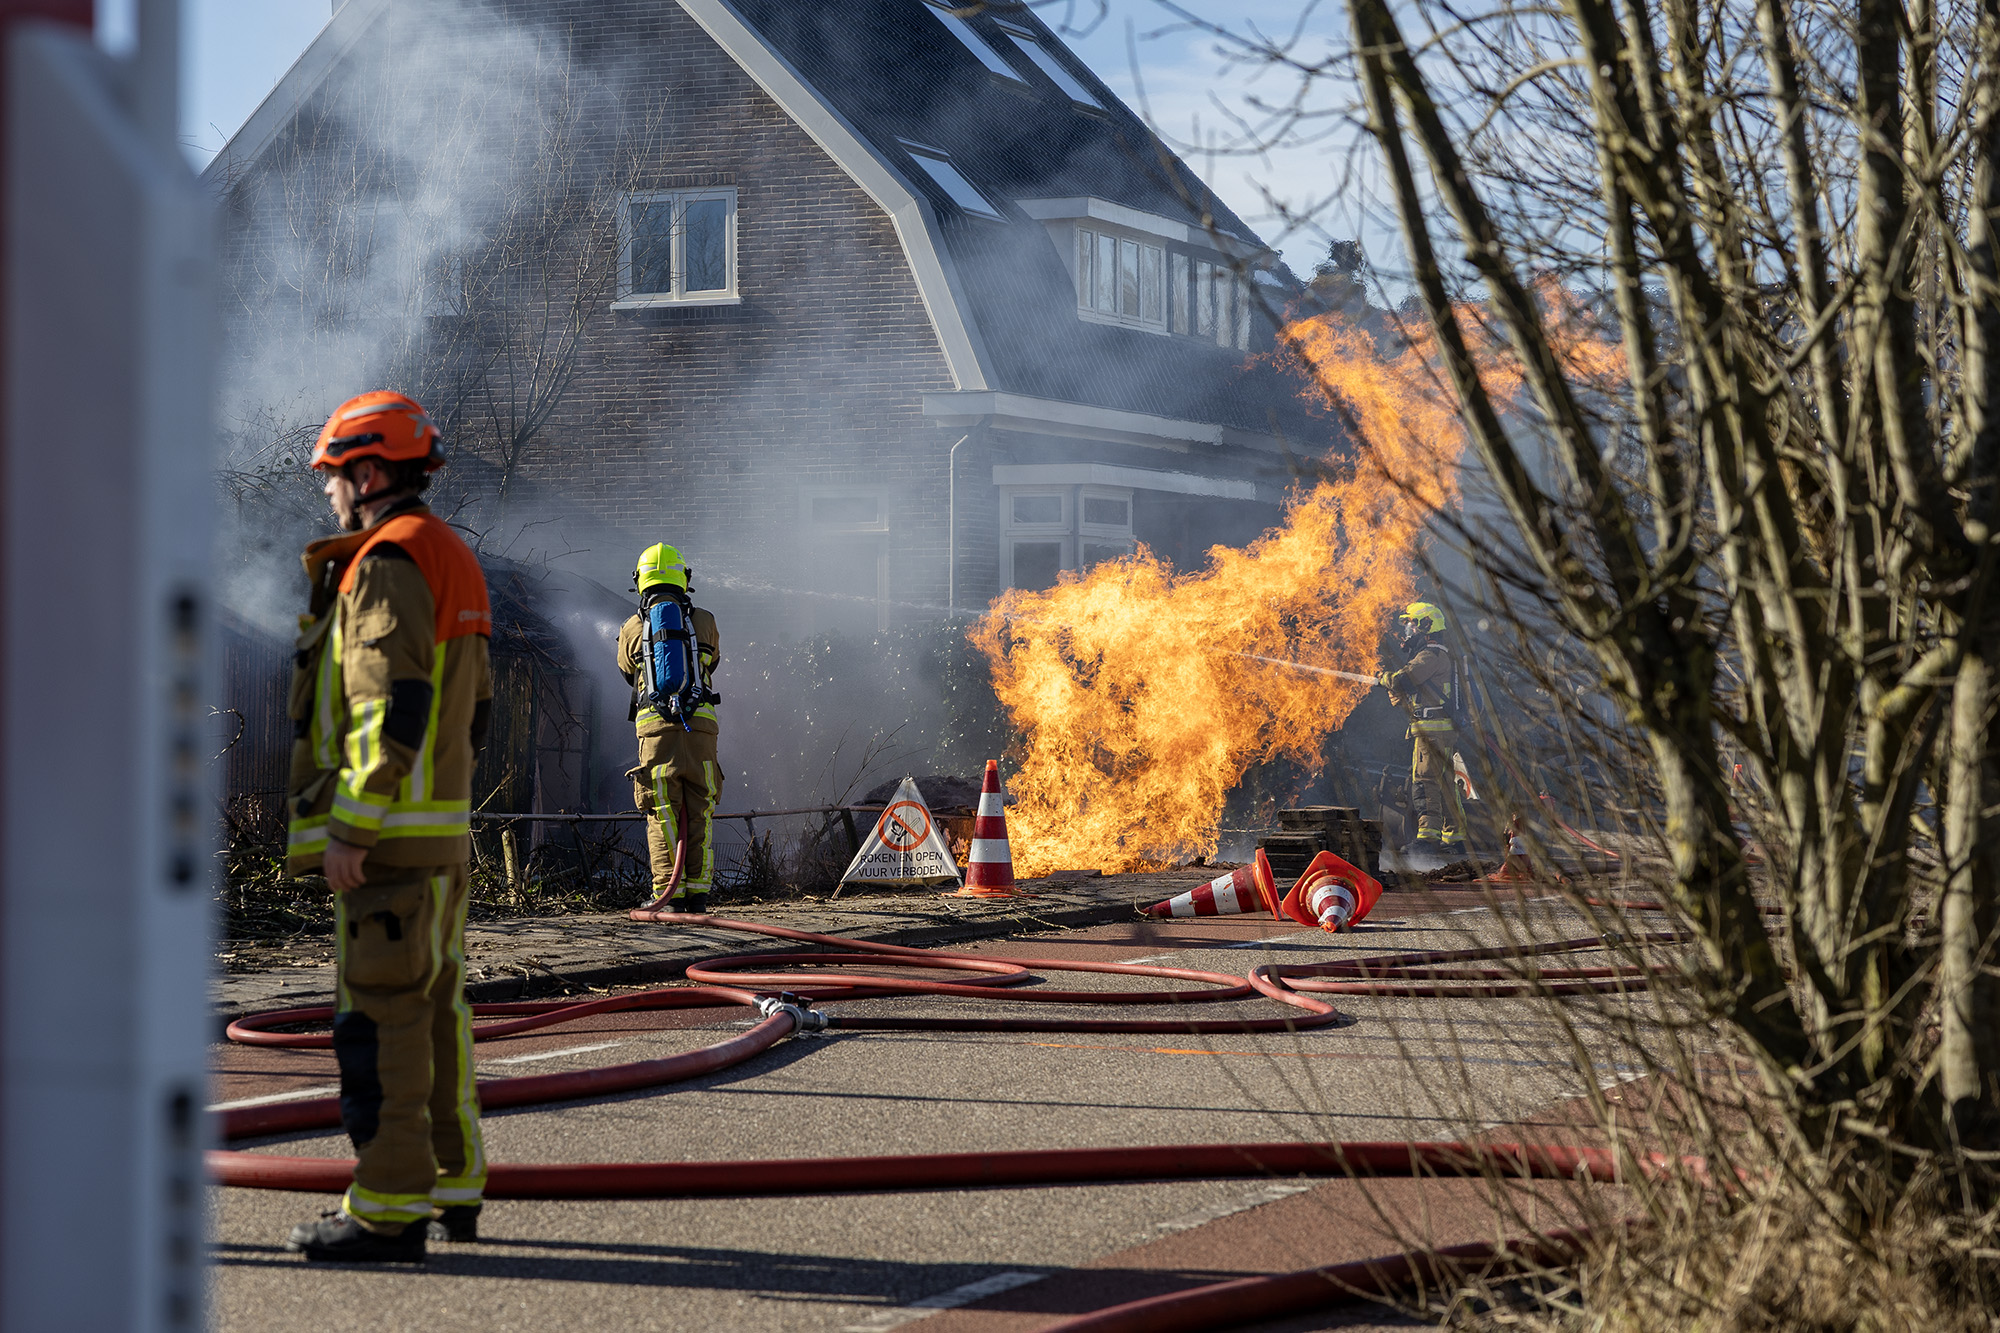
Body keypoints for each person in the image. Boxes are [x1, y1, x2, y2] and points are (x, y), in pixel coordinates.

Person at [281, 391, 493, 1263]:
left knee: (381, 1026)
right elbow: (475, 715)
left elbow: (388, 707)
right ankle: (452, 1181)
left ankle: (387, 1209)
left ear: (369, 473)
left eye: (336, 477)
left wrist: (354, 830)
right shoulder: (450, 556)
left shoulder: (385, 563)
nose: (330, 494)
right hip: (438, 840)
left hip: (391, 852)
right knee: (437, 1014)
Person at [617, 543, 723, 913]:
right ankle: (698, 893)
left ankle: (668, 892)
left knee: (662, 811)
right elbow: (714, 664)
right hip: (701, 731)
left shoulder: (632, 628)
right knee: (700, 811)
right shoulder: (706, 621)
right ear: (683, 577)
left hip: (655, 731)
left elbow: (628, 672)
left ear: (640, 580)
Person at [1378, 601, 1466, 853]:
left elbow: (1403, 680)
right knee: (1448, 783)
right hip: (1440, 730)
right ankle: (1455, 837)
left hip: (1432, 730)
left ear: (1426, 626)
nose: (1407, 630)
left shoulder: (1430, 655)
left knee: (1425, 780)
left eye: (1412, 624)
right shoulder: (1441, 654)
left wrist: (1386, 678)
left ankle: (1427, 840)